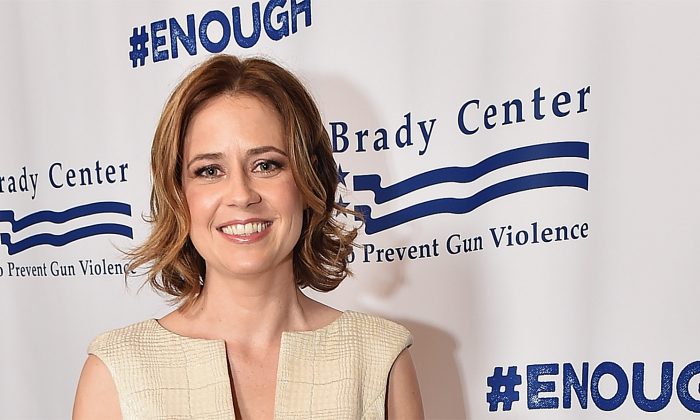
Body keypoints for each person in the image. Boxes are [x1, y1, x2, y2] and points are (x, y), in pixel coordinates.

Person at [73, 54, 423, 420]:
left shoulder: (379, 358)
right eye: (210, 170)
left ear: (309, 181)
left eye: (266, 165)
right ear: (178, 193)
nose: (241, 195)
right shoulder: (117, 373)